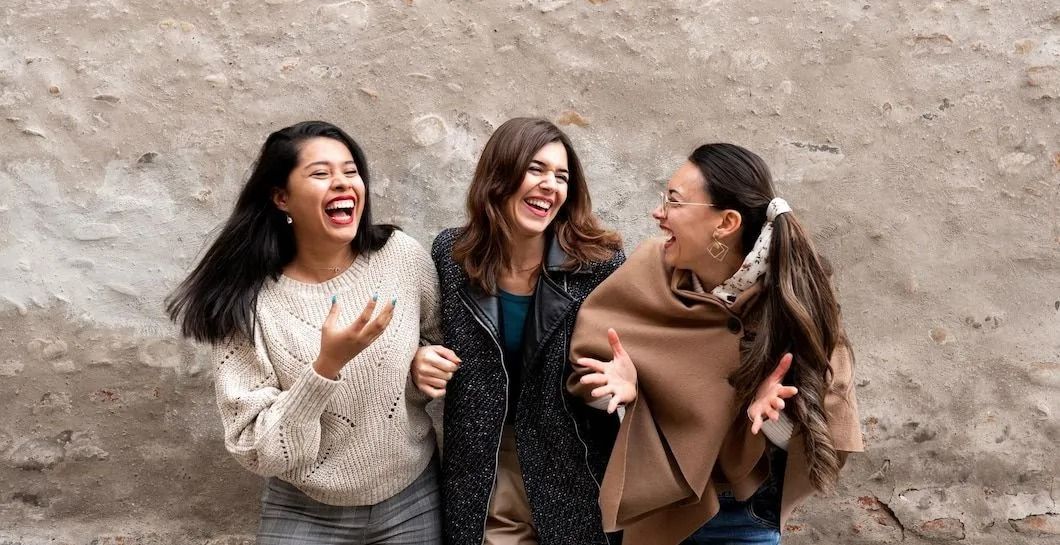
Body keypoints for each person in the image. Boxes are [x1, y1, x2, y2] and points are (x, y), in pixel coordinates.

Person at [570, 143, 863, 544]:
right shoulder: (646, 272)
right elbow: (589, 372)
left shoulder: (795, 297)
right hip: (656, 512)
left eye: (674, 201)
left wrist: (771, 417)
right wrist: (621, 393)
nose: (659, 214)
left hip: (743, 518)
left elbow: (825, 428)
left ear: (725, 223)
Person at [167, 120, 443, 545]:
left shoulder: (401, 257)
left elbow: (437, 339)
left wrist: (423, 362)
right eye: (321, 174)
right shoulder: (250, 304)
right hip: (305, 508)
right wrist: (326, 366)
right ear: (282, 198)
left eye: (350, 172)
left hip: (411, 498)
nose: (342, 183)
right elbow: (255, 446)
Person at [415, 117, 626, 545]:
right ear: (500, 174)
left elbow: (633, 357)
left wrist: (628, 378)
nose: (550, 185)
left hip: (574, 467)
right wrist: (419, 360)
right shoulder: (452, 256)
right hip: (486, 467)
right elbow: (426, 335)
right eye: (536, 169)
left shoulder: (599, 265)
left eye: (561, 176)